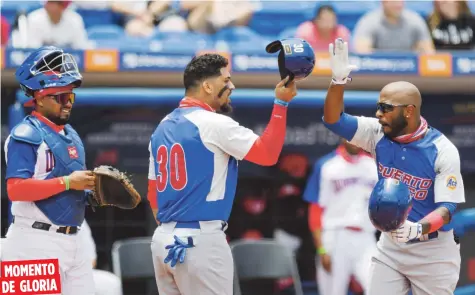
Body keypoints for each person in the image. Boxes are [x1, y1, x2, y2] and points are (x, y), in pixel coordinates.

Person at [322, 38, 465, 295]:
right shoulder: (376, 133)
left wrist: (418, 227)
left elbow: (448, 208)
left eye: (386, 109)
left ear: (409, 111)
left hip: (433, 250)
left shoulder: (442, 149)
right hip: (391, 246)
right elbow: (334, 121)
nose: (378, 114)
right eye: (379, 107)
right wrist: (337, 82)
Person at [147, 53, 298, 295]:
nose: (232, 86)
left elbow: (153, 194)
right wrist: (281, 104)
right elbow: (268, 154)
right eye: (226, 80)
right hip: (200, 240)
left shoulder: (162, 126)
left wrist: (174, 229)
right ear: (207, 85)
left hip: (163, 240)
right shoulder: (213, 123)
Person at [3, 46, 96, 295]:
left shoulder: (72, 135)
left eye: (71, 97)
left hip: (75, 242)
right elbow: (16, 189)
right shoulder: (25, 134)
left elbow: (73, 189)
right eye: (61, 98)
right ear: (40, 98)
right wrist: (68, 183)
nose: (68, 104)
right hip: (32, 241)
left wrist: (93, 193)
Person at [303, 139, 378, 295]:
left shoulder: (374, 166)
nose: (357, 141)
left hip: (366, 237)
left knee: (379, 287)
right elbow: (316, 210)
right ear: (343, 137)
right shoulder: (327, 165)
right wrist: (322, 249)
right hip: (335, 236)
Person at [79, 220, 123, 295]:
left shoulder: (77, 219)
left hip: (79, 272)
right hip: (54, 272)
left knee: (110, 283)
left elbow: (92, 259)